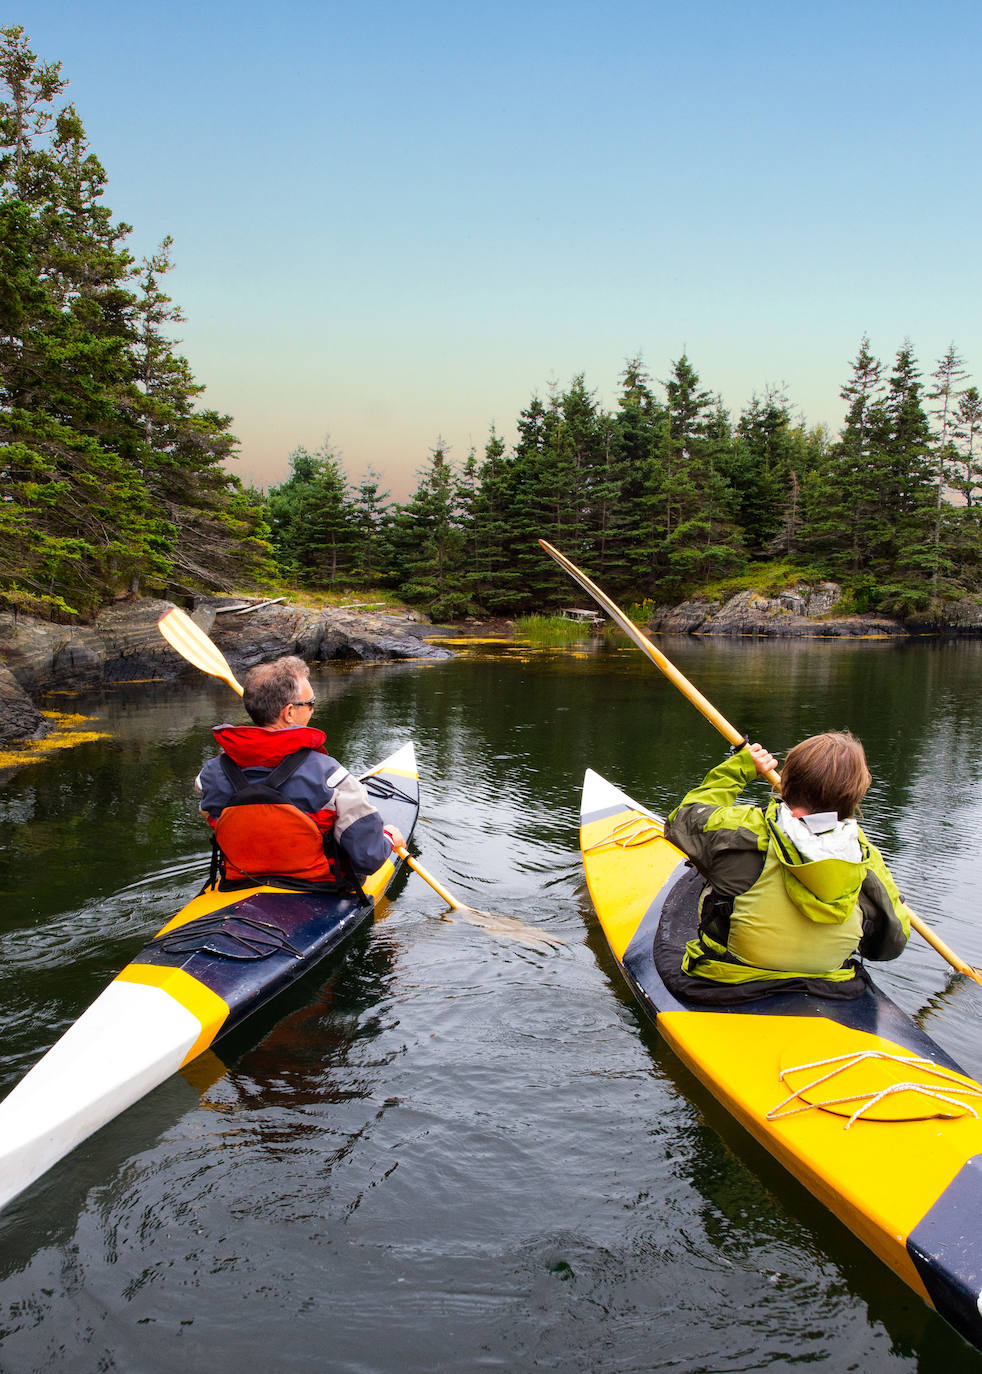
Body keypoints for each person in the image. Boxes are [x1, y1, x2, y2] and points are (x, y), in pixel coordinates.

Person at [663, 732, 912, 986]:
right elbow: (892, 943)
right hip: (829, 984)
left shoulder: (747, 831)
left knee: (706, 867)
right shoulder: (864, 857)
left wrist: (740, 768)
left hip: (728, 980)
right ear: (854, 797)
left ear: (787, 781)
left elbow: (682, 821)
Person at [195, 655, 404, 886]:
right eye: (310, 703)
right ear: (290, 713)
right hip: (321, 887)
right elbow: (368, 858)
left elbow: (209, 809)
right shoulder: (333, 777)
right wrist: (386, 837)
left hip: (241, 882)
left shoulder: (210, 774)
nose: (313, 710)